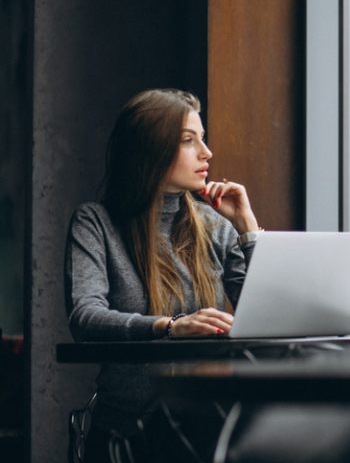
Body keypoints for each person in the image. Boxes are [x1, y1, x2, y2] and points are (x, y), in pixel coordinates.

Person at [64, 88, 261, 460]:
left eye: (202, 138)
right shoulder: (96, 223)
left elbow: (270, 313)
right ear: (150, 149)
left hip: (208, 436)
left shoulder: (215, 226)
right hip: (124, 437)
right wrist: (170, 326)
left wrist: (247, 228)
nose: (207, 153)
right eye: (189, 141)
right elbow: (85, 316)